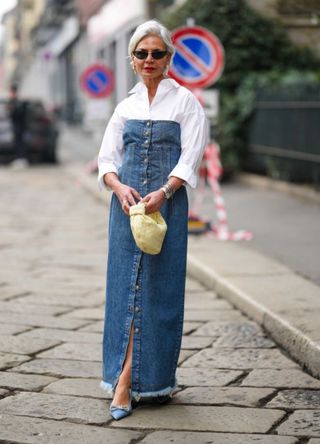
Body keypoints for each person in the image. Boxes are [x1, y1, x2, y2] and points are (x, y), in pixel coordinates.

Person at [97, 20, 208, 421]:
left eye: (157, 53)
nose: (149, 59)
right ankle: (123, 380)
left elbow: (190, 158)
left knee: (159, 293)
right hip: (126, 210)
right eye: (141, 53)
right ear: (131, 59)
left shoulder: (186, 103)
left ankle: (153, 381)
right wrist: (117, 187)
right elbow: (107, 159)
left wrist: (164, 192)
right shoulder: (124, 106)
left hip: (167, 207)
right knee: (124, 289)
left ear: (168, 59)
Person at [7, 84, 28, 168]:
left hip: (19, 126)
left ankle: (21, 159)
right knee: (18, 143)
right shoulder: (13, 101)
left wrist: (11, 110)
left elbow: (17, 114)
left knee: (20, 143)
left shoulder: (16, 102)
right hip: (16, 125)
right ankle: (20, 159)